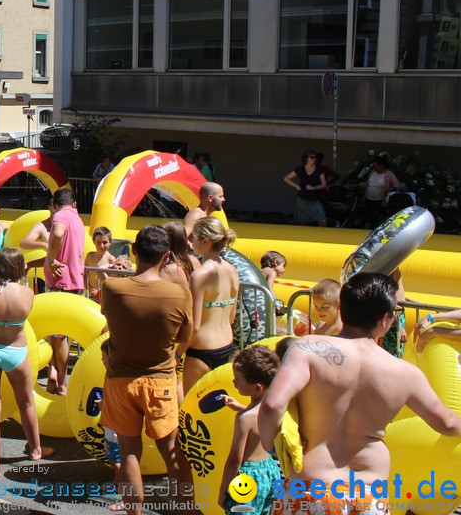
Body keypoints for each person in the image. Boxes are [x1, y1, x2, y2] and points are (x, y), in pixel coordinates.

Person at [259, 273, 461, 512]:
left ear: (342, 310)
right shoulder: (405, 373)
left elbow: (272, 405)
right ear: (386, 318)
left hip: (311, 485)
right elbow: (447, 423)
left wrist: (272, 447)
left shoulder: (307, 349)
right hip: (367, 492)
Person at [99, 225, 194, 515]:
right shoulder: (179, 294)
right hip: (161, 378)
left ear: (134, 251)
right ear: (167, 256)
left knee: (129, 451)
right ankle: (188, 510)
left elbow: (112, 325)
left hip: (120, 379)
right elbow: (185, 337)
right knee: (172, 451)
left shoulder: (112, 288)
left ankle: (134, 513)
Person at [0, 248, 53, 477]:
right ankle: (36, 450)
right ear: (21, 268)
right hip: (17, 352)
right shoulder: (28, 294)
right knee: (26, 403)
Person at [217, 345, 282, 515]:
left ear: (257, 387)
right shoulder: (276, 408)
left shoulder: (244, 419)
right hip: (270, 472)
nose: (233, 382)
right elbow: (258, 420)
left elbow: (235, 461)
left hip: (247, 479)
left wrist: (223, 490)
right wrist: (240, 407)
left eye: (237, 379)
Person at [181, 217, 239, 391]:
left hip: (201, 349)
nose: (191, 242)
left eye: (194, 237)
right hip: (226, 346)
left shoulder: (200, 276)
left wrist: (177, 353)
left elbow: (195, 325)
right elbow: (231, 317)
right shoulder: (232, 270)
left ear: (205, 241)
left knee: (189, 408)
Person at [43, 187, 85, 395]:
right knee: (61, 335)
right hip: (74, 281)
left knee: (59, 336)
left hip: (61, 282)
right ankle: (56, 376)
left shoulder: (61, 216)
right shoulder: (77, 218)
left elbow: (58, 233)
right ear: (75, 203)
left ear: (56, 204)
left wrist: (51, 259)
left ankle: (62, 382)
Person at [283, 150, 328, 226]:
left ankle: (322, 237)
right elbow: (286, 178)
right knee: (302, 222)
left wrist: (313, 188)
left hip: (315, 198)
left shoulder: (319, 169)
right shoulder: (300, 169)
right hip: (303, 198)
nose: (314, 159)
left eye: (315, 157)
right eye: (312, 157)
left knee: (322, 221)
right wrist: (297, 186)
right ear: (306, 158)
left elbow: (324, 185)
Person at [358, 155, 404, 226]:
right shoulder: (373, 172)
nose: (374, 168)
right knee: (369, 216)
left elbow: (397, 184)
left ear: (381, 166)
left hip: (379, 200)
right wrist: (360, 185)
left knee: (375, 217)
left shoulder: (388, 174)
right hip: (368, 198)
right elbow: (369, 183)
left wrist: (390, 189)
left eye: (376, 166)